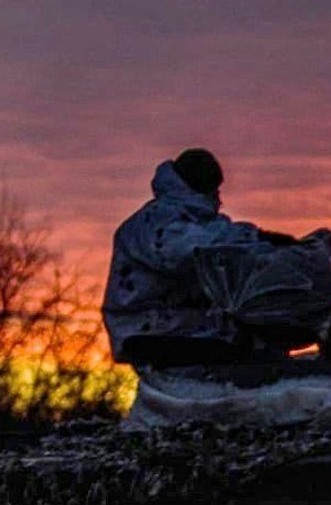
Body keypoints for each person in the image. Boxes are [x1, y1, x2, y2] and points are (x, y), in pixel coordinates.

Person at [102, 148, 297, 366]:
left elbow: (219, 238)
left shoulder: (192, 219)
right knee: (248, 346)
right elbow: (193, 249)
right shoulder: (160, 221)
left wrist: (266, 244)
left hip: (176, 323)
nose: (218, 199)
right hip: (150, 328)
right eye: (214, 190)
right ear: (204, 187)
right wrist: (258, 239)